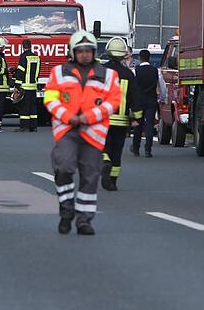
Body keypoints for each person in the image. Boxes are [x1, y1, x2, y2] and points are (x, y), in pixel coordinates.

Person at [44, 30, 121, 235]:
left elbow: (114, 102)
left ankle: (84, 221)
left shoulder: (108, 75)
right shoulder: (59, 73)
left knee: (90, 176)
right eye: (80, 51)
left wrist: (90, 117)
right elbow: (50, 99)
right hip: (67, 130)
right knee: (63, 168)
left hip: (93, 133)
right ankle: (66, 210)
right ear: (73, 52)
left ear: (94, 52)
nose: (85, 54)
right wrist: (69, 117)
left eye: (88, 51)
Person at [101, 37, 141, 191]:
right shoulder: (128, 74)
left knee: (102, 146)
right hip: (121, 121)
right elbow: (134, 97)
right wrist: (136, 117)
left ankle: (104, 162)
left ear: (108, 52)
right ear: (124, 54)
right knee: (117, 151)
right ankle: (112, 182)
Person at [132, 49, 161, 157]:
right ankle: (148, 150)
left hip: (139, 101)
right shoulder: (155, 70)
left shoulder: (136, 70)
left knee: (138, 124)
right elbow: (161, 86)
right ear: (149, 58)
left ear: (139, 58)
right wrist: (161, 98)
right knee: (149, 124)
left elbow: (133, 87)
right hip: (151, 100)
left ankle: (136, 148)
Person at [14, 39, 41, 132]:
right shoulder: (36, 57)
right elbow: (37, 72)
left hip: (25, 86)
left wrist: (17, 86)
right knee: (33, 107)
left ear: (23, 46)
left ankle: (24, 126)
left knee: (24, 107)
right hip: (33, 86)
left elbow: (21, 72)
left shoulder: (23, 57)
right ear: (31, 46)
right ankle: (33, 126)